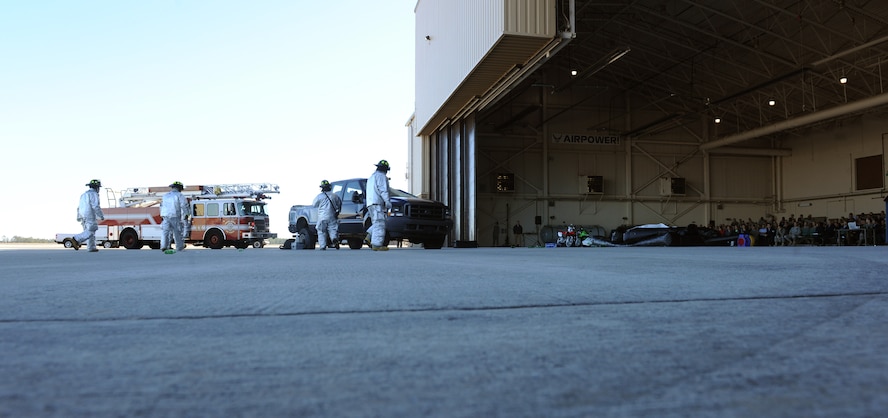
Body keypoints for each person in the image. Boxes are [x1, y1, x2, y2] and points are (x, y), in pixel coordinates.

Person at [72, 179, 105, 252]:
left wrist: (78, 216)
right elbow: (96, 206)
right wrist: (101, 215)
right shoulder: (94, 194)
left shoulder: (83, 195)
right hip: (89, 214)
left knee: (87, 230)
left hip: (82, 214)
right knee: (91, 230)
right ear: (96, 187)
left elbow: (79, 207)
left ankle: (91, 247)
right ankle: (76, 239)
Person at [366, 159, 392, 251]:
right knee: (380, 223)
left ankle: (369, 235)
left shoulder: (371, 177)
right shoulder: (381, 177)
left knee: (376, 222)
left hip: (370, 203)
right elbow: (383, 190)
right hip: (377, 202)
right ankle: (377, 244)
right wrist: (387, 202)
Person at [160, 181, 190, 253]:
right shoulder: (180, 195)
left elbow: (161, 206)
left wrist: (162, 215)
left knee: (165, 232)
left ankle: (164, 246)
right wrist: (187, 213)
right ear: (179, 188)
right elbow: (184, 205)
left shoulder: (165, 196)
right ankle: (179, 247)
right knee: (177, 232)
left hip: (165, 216)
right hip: (175, 216)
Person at [312, 179, 342, 250]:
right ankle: (334, 239)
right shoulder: (335, 196)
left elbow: (314, 204)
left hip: (322, 217)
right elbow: (339, 204)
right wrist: (338, 212)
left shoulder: (319, 196)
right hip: (332, 215)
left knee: (321, 231)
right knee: (333, 229)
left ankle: (322, 246)